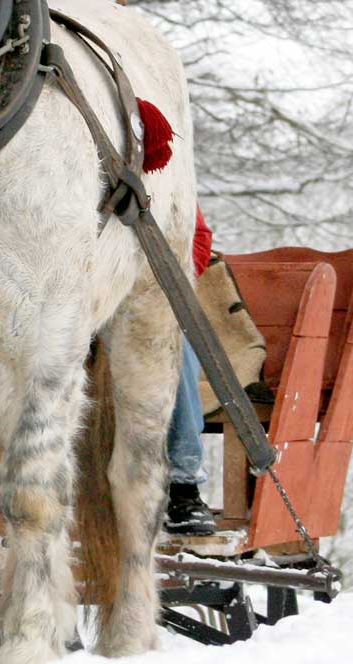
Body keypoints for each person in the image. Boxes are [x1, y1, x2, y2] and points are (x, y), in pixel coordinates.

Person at [164, 208, 216, 536]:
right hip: (72, 296)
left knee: (175, 345)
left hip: (146, 294)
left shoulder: (165, 172)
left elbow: (198, 238)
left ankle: (183, 486)